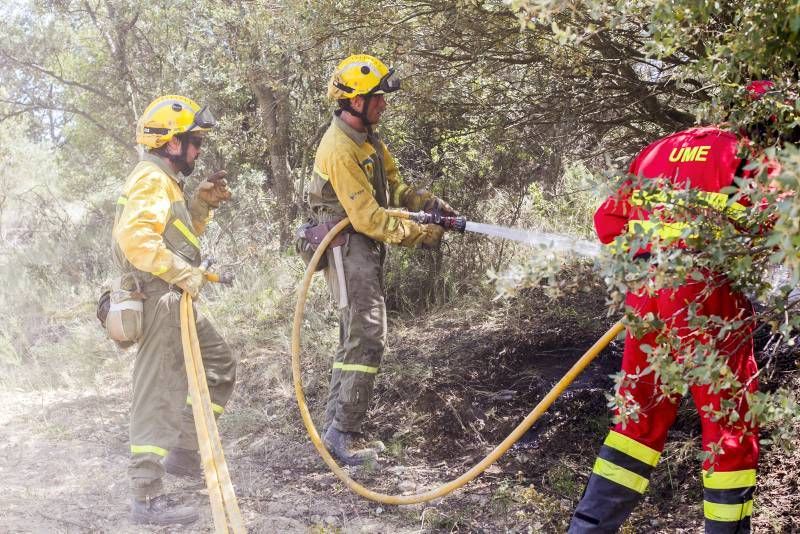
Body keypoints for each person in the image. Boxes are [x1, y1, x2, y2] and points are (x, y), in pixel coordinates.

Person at [567, 85, 780, 533]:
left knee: (635, 423)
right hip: (709, 304)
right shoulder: (749, 155)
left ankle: (588, 530)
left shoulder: (661, 149)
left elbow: (608, 223)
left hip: (647, 299)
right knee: (729, 428)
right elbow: (778, 231)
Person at [306, 54, 457, 466]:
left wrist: (426, 203)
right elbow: (370, 218)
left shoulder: (369, 140)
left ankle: (336, 427)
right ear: (354, 102)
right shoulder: (339, 148)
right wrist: (421, 234)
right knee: (368, 334)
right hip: (346, 248)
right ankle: (342, 434)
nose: (384, 105)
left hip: (362, 248)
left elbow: (394, 186)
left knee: (356, 335)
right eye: (377, 99)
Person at [112, 95, 237, 525]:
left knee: (219, 365)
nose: (199, 150)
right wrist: (185, 275)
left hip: (174, 296)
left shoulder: (167, 182)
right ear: (170, 143)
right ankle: (145, 498)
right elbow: (137, 242)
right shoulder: (151, 179)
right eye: (193, 140)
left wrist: (200, 205)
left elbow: (175, 238)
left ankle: (183, 454)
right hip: (160, 298)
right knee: (159, 392)